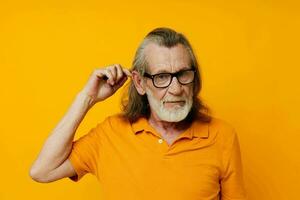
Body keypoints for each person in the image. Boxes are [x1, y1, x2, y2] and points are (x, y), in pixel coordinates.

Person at [29, 27, 247, 200]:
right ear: (140, 83)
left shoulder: (222, 136)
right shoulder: (110, 133)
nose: (176, 88)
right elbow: (42, 171)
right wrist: (87, 98)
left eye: (183, 74)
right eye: (161, 77)